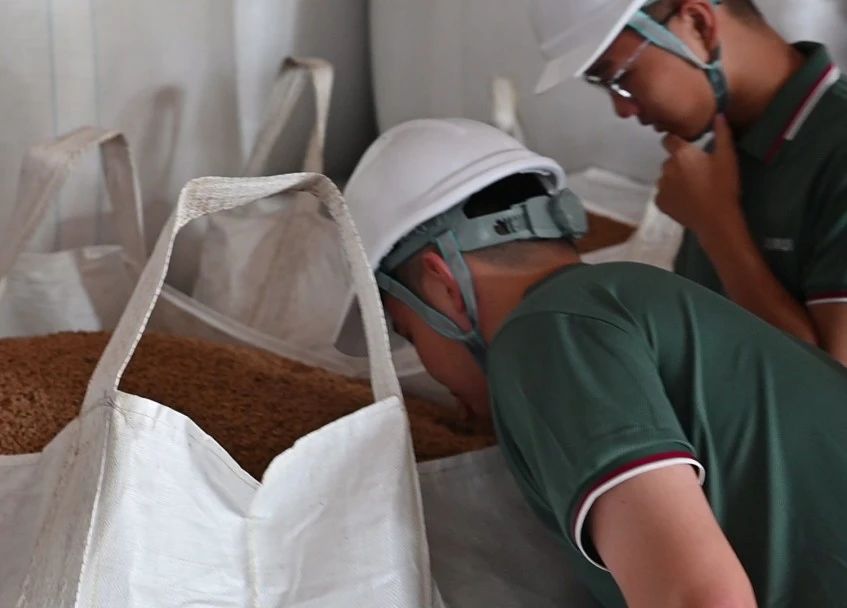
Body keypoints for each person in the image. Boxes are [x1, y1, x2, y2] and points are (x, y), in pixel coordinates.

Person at [335, 117, 847, 607]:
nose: (425, 365)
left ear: (443, 285)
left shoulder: (546, 336)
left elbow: (702, 601)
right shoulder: (621, 302)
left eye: (409, 333)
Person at [530, 0, 847, 365]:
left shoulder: (835, 151)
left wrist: (716, 224)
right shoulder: (718, 155)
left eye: (620, 79)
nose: (623, 110)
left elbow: (833, 384)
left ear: (697, 23)